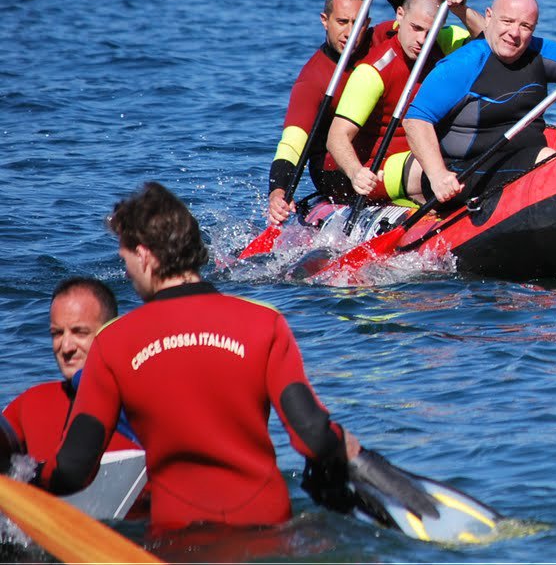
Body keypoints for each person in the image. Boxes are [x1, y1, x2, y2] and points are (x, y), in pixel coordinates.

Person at [27, 183, 365, 532]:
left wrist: (27, 475)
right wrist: (342, 444)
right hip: (270, 533)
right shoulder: (265, 322)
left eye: (124, 258)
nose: (126, 271)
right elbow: (311, 434)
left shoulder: (111, 342)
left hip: (180, 543)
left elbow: (73, 468)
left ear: (143, 255)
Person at [402, 0, 556, 202]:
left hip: (517, 160)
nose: (514, 33)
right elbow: (416, 121)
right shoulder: (463, 64)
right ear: (488, 17)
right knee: (546, 158)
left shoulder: (537, 51)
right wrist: (438, 175)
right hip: (461, 171)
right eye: (507, 21)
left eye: (525, 26)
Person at [267, 0, 407, 226]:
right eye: (342, 22)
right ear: (325, 21)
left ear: (367, 23)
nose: (350, 32)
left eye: (357, 23)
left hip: (382, 156)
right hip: (337, 173)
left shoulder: (381, 39)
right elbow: (293, 143)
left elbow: (417, 22)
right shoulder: (313, 78)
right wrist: (278, 192)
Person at [325, 0, 484, 208]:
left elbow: (490, 40)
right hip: (375, 170)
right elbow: (336, 137)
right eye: (416, 28)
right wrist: (356, 172)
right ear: (400, 15)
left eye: (431, 32)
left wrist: (461, 9)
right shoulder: (372, 72)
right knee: (438, 165)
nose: (422, 40)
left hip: (424, 158)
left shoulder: (443, 42)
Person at [2, 278, 140, 463]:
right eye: (57, 333)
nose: (66, 347)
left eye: (80, 332)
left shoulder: (142, 406)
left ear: (112, 333)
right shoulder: (29, 404)